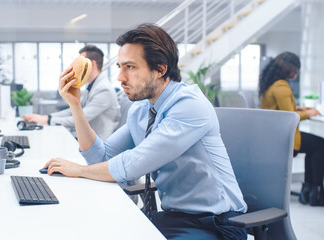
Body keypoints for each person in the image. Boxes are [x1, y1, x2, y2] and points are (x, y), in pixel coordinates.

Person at [43, 23, 248, 239]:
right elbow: (101, 158)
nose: (120, 77)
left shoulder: (190, 106)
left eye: (130, 67)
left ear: (161, 69)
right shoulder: (142, 110)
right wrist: (75, 105)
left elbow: (133, 164)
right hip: (172, 218)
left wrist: (78, 170)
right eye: (120, 67)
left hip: (216, 224)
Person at [259, 51, 324, 207]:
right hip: (285, 138)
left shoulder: (271, 84)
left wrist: (299, 107)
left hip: (274, 135)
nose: (297, 73)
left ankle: (308, 191)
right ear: (290, 70)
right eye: (297, 69)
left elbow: (279, 109)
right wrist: (309, 113)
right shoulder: (282, 87)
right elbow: (291, 116)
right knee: (320, 144)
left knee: (314, 145)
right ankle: (315, 193)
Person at [23, 45, 120, 140]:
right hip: (89, 138)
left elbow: (81, 119)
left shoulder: (104, 89)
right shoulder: (91, 86)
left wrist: (47, 120)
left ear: (92, 64)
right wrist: (46, 117)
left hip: (101, 141)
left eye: (81, 65)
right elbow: (73, 110)